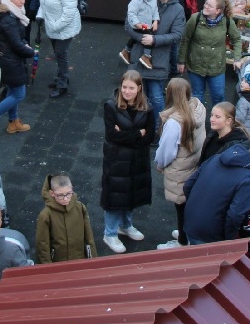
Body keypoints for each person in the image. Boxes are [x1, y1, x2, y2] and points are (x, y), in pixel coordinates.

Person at [99, 71, 157, 254]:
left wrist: (125, 133)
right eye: (124, 87)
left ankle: (126, 225)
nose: (127, 91)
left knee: (131, 194)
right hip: (117, 160)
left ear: (139, 88)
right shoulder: (111, 106)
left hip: (137, 160)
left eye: (131, 88)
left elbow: (150, 137)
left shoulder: (147, 108)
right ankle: (110, 232)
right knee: (115, 196)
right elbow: (112, 135)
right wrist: (137, 133)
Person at [154, 78, 205, 249]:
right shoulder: (198, 108)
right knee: (189, 205)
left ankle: (183, 241)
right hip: (194, 165)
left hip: (180, 169)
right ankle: (186, 232)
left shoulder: (174, 122)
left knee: (181, 206)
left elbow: (167, 151)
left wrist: (160, 164)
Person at [126, 0, 184, 119]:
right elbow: (128, 25)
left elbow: (177, 35)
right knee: (134, 96)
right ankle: (135, 127)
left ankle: (157, 129)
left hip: (158, 61)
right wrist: (142, 37)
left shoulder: (177, 9)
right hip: (138, 57)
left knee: (156, 98)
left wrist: (154, 40)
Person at [177, 0, 242, 108]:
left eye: (210, 6)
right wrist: (181, 61)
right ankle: (198, 122)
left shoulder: (227, 22)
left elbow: (236, 39)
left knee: (219, 96)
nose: (205, 6)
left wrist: (237, 59)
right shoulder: (195, 19)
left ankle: (218, 121)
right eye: (206, 3)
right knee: (197, 96)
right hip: (196, 64)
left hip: (216, 67)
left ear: (218, 11)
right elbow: (185, 40)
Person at [0, 0, 35, 134]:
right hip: (11, 61)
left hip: (8, 58)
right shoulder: (9, 19)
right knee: (19, 94)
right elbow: (16, 44)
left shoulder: (10, 13)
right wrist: (31, 52)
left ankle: (13, 121)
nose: (22, 2)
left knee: (12, 91)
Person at [37, 0, 81, 100]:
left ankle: (62, 83)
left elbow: (69, 13)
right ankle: (60, 77)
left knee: (61, 54)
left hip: (64, 28)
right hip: (52, 26)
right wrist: (40, 16)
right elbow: (43, 2)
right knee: (57, 53)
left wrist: (55, 26)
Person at [34, 173, 96, 264]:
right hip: (58, 263)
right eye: (60, 195)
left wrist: (93, 259)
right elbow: (42, 245)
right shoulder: (46, 215)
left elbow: (89, 237)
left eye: (68, 194)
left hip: (79, 260)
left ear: (72, 190)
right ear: (52, 193)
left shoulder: (80, 208)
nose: (65, 198)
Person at [119, 0, 159, 69]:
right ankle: (146, 56)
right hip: (139, 25)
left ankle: (126, 51)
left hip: (147, 24)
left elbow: (155, 10)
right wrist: (137, 24)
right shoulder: (136, 1)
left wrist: (156, 21)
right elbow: (131, 14)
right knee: (149, 36)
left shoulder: (153, 0)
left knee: (134, 38)